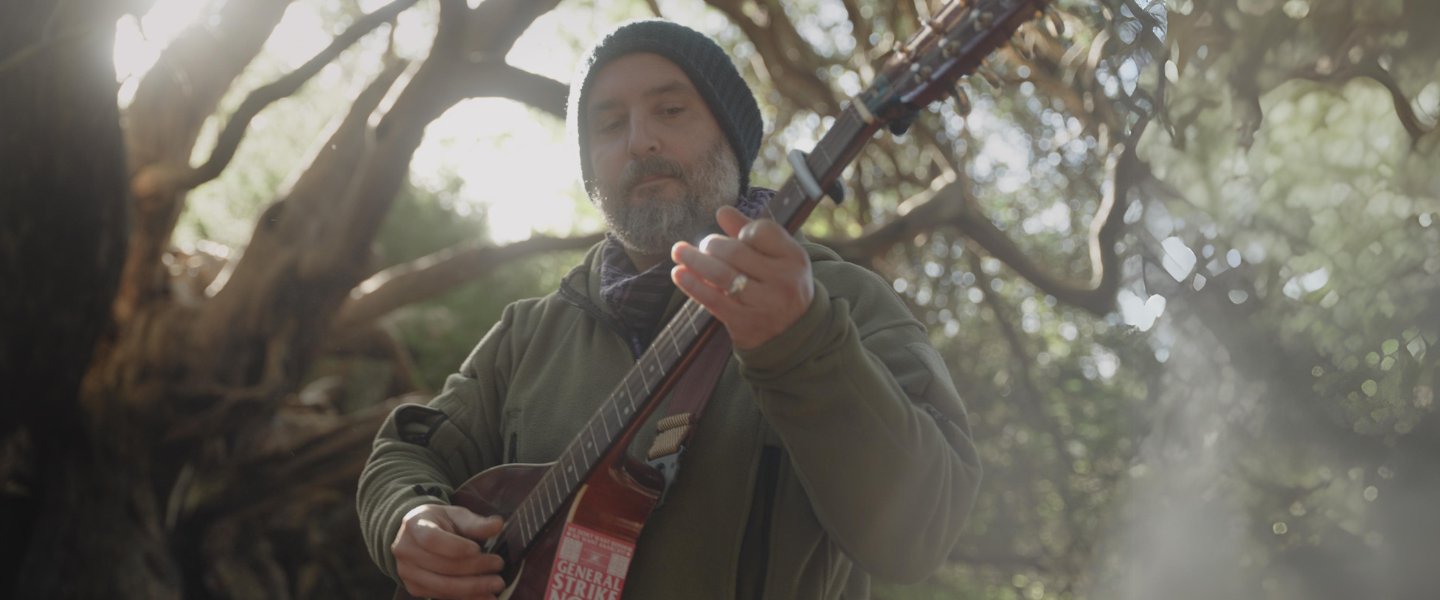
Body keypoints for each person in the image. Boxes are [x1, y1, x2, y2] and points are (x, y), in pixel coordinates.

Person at [357, 19, 981, 600]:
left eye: (671, 109)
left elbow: (920, 534)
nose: (639, 140)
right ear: (590, 171)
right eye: (607, 125)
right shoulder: (529, 331)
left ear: (732, 140)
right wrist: (409, 516)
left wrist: (802, 345)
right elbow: (406, 452)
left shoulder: (841, 301)